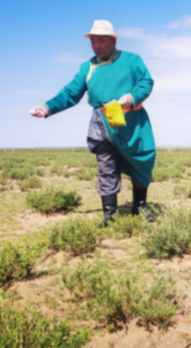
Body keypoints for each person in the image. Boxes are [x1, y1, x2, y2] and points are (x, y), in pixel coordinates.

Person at [29, 20, 156, 226]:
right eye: (93, 41)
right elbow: (71, 92)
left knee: (141, 162)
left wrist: (131, 98)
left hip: (132, 122)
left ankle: (139, 206)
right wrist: (47, 107)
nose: (96, 45)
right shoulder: (87, 67)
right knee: (106, 166)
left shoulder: (132, 60)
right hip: (101, 122)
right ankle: (110, 215)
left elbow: (146, 82)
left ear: (113, 41)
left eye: (101, 41)